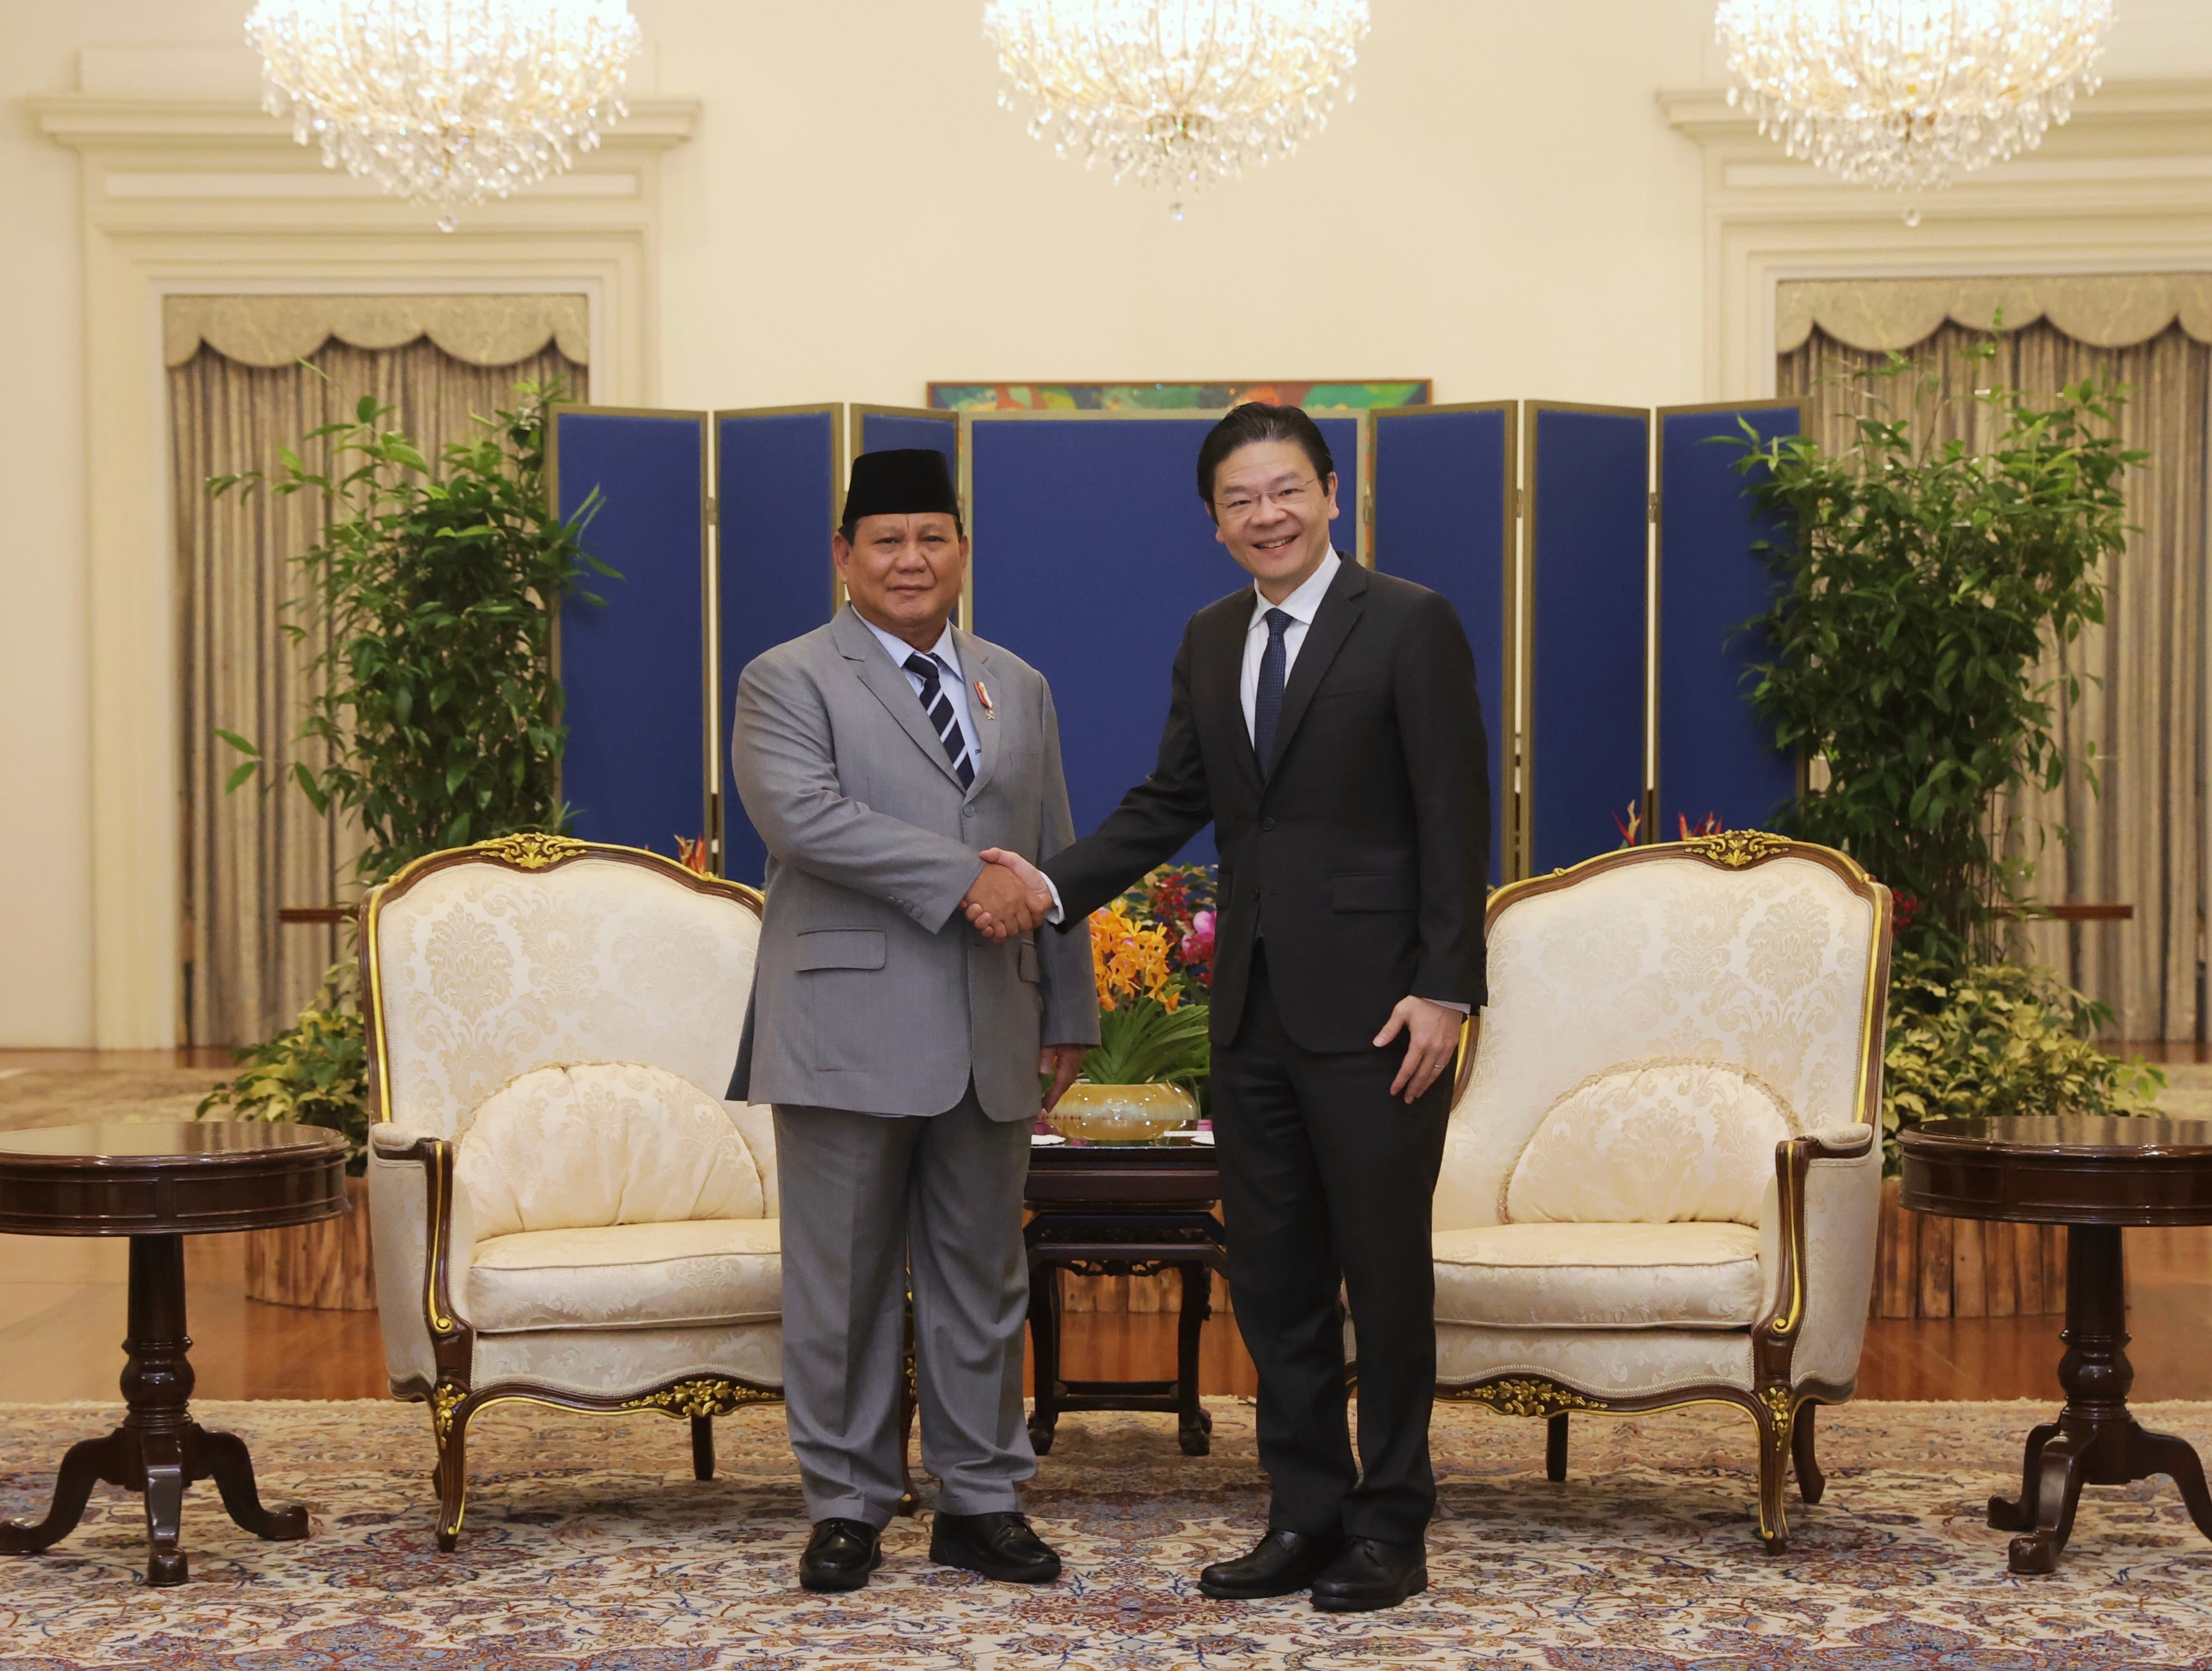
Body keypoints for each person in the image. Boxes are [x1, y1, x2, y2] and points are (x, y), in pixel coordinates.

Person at [969, 404, 1487, 1612]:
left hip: (1381, 1018)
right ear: (1214, 522)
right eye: (1241, 501)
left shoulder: (1410, 623)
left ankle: (1389, 1526)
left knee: (1383, 1274)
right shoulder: (1211, 638)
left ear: (1332, 492)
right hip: (1250, 1013)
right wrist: (1050, 884)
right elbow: (1169, 802)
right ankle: (1303, 1515)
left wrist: (1444, 988)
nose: (1267, 516)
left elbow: (1455, 817)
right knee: (1276, 1278)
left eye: (1286, 490)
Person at [727, 448, 1092, 1593]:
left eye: (931, 538)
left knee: (981, 1274)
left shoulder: (1016, 681)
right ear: (843, 557)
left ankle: (981, 1499)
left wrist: (1067, 1002)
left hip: (993, 1024)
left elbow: (1047, 848)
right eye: (885, 540)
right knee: (839, 1279)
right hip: (846, 1023)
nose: (910, 559)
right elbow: (804, 819)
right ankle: (847, 1504)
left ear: (963, 555)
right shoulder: (787, 677)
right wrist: (960, 879)